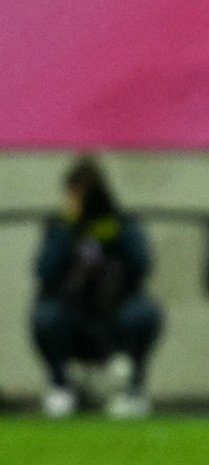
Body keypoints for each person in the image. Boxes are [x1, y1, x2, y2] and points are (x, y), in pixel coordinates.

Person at [31, 155, 163, 419]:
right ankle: (61, 386)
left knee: (144, 313)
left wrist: (115, 233)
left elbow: (142, 265)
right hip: (72, 314)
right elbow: (44, 272)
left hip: (115, 313)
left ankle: (131, 391)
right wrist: (68, 229)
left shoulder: (120, 223)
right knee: (45, 316)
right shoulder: (60, 227)